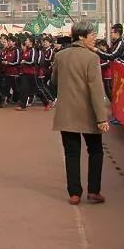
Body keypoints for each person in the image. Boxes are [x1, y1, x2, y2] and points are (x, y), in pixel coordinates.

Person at [51, 21, 110, 205]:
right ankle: (94, 191)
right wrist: (101, 118)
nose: (95, 39)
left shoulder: (60, 56)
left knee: (72, 153)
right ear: (82, 37)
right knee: (95, 151)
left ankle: (74, 193)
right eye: (92, 35)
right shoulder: (91, 58)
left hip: (66, 113)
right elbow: (96, 90)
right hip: (88, 114)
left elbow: (54, 80)